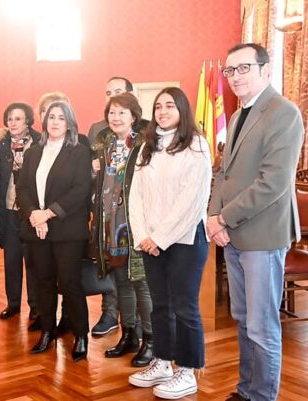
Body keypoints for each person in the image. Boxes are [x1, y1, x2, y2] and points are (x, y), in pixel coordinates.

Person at [207, 43, 304, 401]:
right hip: (231, 233)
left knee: (262, 327)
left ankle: (263, 395)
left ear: (265, 69)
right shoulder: (236, 115)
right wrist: (213, 217)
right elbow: (224, 173)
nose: (235, 77)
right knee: (244, 320)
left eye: (243, 68)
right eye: (230, 71)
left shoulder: (283, 112)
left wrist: (224, 218)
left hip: (262, 235)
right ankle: (245, 390)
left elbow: (274, 183)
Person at [126, 87, 212, 399]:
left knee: (184, 306)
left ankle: (187, 371)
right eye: (158, 106)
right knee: (160, 305)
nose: (162, 111)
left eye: (170, 106)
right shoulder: (149, 146)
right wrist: (142, 236)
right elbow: (135, 195)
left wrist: (159, 238)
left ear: (182, 110)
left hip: (186, 240)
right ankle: (162, 361)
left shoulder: (196, 145)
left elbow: (191, 202)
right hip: (150, 241)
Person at [16, 101, 91, 361]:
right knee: (43, 282)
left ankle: (81, 335)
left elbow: (81, 191)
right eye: (51, 117)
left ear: (69, 123)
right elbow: (22, 188)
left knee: (70, 283)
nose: (56, 122)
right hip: (37, 229)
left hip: (67, 230)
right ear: (44, 122)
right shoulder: (33, 153)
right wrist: (34, 216)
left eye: (61, 118)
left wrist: (48, 213)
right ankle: (47, 331)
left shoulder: (79, 152)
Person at [92, 93, 154, 367]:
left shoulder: (145, 147)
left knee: (141, 283)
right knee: (121, 282)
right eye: (112, 113)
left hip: (135, 224)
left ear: (133, 117)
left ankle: (150, 341)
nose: (115, 118)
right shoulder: (104, 148)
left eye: (122, 113)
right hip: (110, 225)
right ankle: (128, 334)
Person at [0, 102, 40, 321]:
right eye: (10, 119)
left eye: (18, 119)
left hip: (32, 211)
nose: (13, 123)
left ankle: (35, 306)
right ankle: (13, 303)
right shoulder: (2, 146)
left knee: (33, 261)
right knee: (11, 260)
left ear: (28, 121)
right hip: (8, 210)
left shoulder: (40, 143)